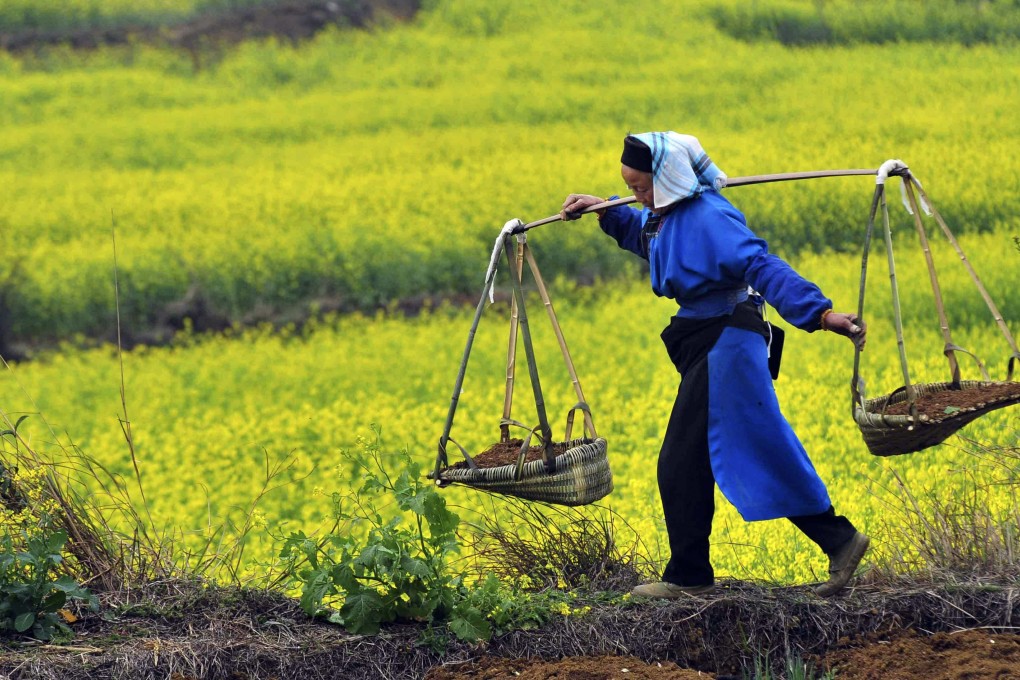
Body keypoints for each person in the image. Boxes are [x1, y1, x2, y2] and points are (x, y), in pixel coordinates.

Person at [560, 131, 870, 598]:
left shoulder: (709, 217)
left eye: (642, 186)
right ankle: (840, 541)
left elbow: (763, 267)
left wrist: (821, 314)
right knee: (750, 448)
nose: (637, 195)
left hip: (727, 341)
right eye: (629, 185)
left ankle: (689, 577)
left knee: (680, 460)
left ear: (667, 178)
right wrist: (605, 211)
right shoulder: (667, 216)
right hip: (712, 340)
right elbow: (648, 239)